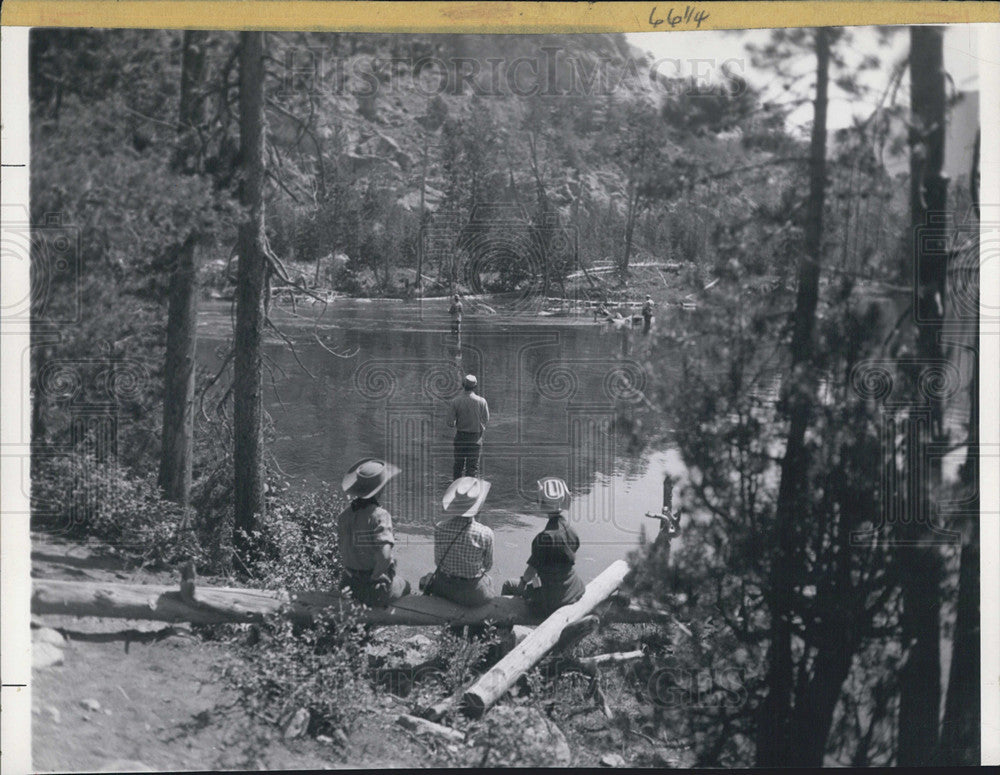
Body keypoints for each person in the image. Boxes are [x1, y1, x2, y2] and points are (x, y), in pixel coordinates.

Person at [503, 477, 586, 617]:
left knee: (508, 584)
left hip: (551, 599)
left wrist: (523, 583)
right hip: (573, 588)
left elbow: (531, 572)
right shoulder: (572, 530)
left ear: (542, 503)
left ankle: (503, 631)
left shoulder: (544, 538)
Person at [337, 458, 411, 607]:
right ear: (380, 489)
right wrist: (376, 576)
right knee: (406, 585)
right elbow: (385, 556)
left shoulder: (344, 515)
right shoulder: (380, 516)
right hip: (371, 589)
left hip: (347, 584)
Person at [421, 477, 497, 607]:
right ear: (478, 506)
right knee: (489, 584)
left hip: (443, 588)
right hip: (472, 592)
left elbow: (437, 561)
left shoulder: (440, 527)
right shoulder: (486, 533)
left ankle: (454, 627)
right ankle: (477, 627)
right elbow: (488, 566)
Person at [450, 374, 489, 479]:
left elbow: (450, 423)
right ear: (475, 387)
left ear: (463, 385)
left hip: (460, 438)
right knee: (472, 468)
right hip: (476, 438)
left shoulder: (455, 401)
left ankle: (455, 489)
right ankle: (469, 491)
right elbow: (486, 419)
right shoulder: (482, 401)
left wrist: (458, 421)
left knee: (458, 466)